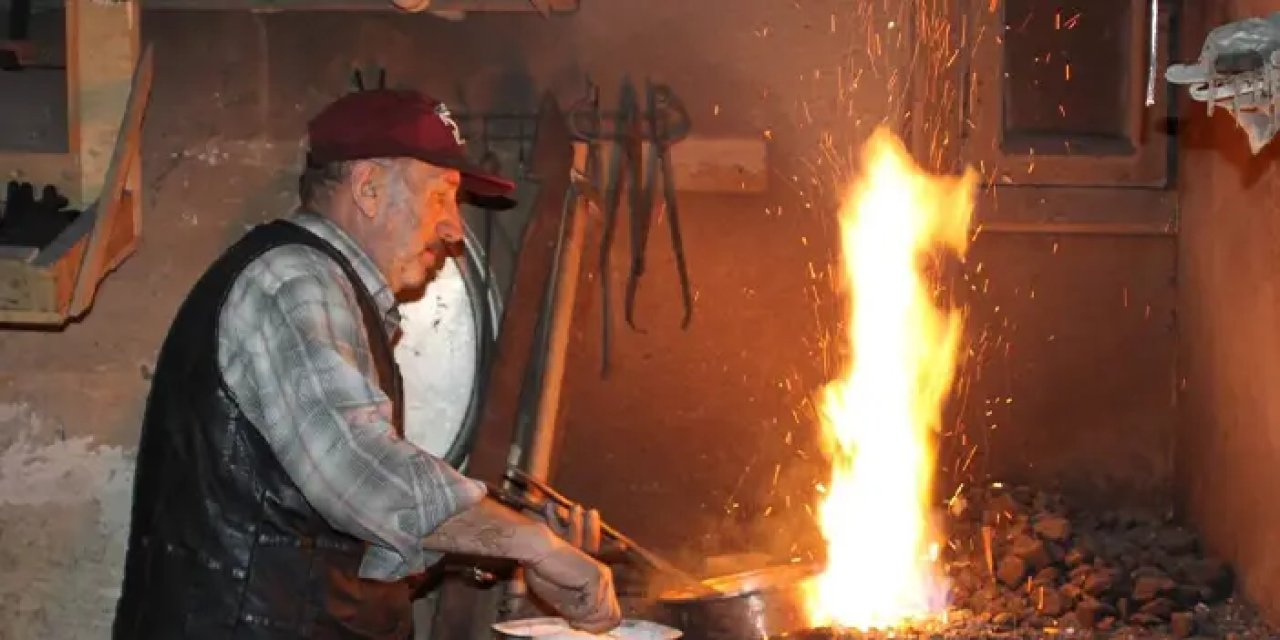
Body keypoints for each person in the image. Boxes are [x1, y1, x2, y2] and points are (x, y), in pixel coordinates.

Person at [112, 88, 621, 639]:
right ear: (369, 189)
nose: (454, 229)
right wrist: (535, 546)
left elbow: (353, 536)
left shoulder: (335, 293)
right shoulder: (296, 282)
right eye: (442, 196)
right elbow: (360, 476)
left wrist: (506, 544)